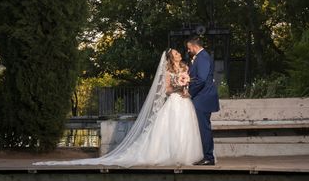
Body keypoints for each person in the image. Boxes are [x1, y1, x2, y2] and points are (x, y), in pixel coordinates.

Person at [33, 48, 203, 167]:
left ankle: (185, 155)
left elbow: (189, 82)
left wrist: (186, 88)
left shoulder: (185, 68)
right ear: (170, 57)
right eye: (176, 53)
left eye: (178, 52)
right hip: (173, 100)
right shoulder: (166, 72)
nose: (179, 54)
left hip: (184, 102)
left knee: (184, 129)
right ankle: (171, 155)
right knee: (171, 130)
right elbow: (166, 90)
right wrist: (178, 87)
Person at [186, 36, 220, 166]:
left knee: (204, 128)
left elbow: (201, 79)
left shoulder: (203, 57)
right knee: (202, 128)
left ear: (195, 46)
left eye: (189, 48)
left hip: (203, 98)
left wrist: (190, 92)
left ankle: (208, 158)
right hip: (202, 97)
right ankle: (205, 155)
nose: (189, 51)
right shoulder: (201, 57)